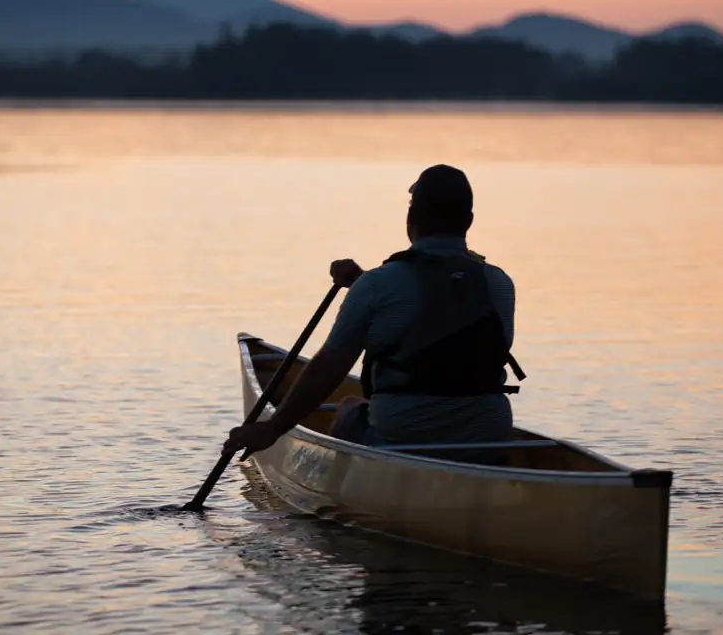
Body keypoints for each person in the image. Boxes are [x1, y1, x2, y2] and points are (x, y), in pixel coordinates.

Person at [223, 164, 522, 459]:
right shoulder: (498, 283)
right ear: (468, 221)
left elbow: (328, 369)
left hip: (403, 436)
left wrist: (272, 428)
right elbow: (443, 317)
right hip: (488, 436)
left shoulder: (378, 285)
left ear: (411, 217)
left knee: (349, 406)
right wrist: (359, 284)